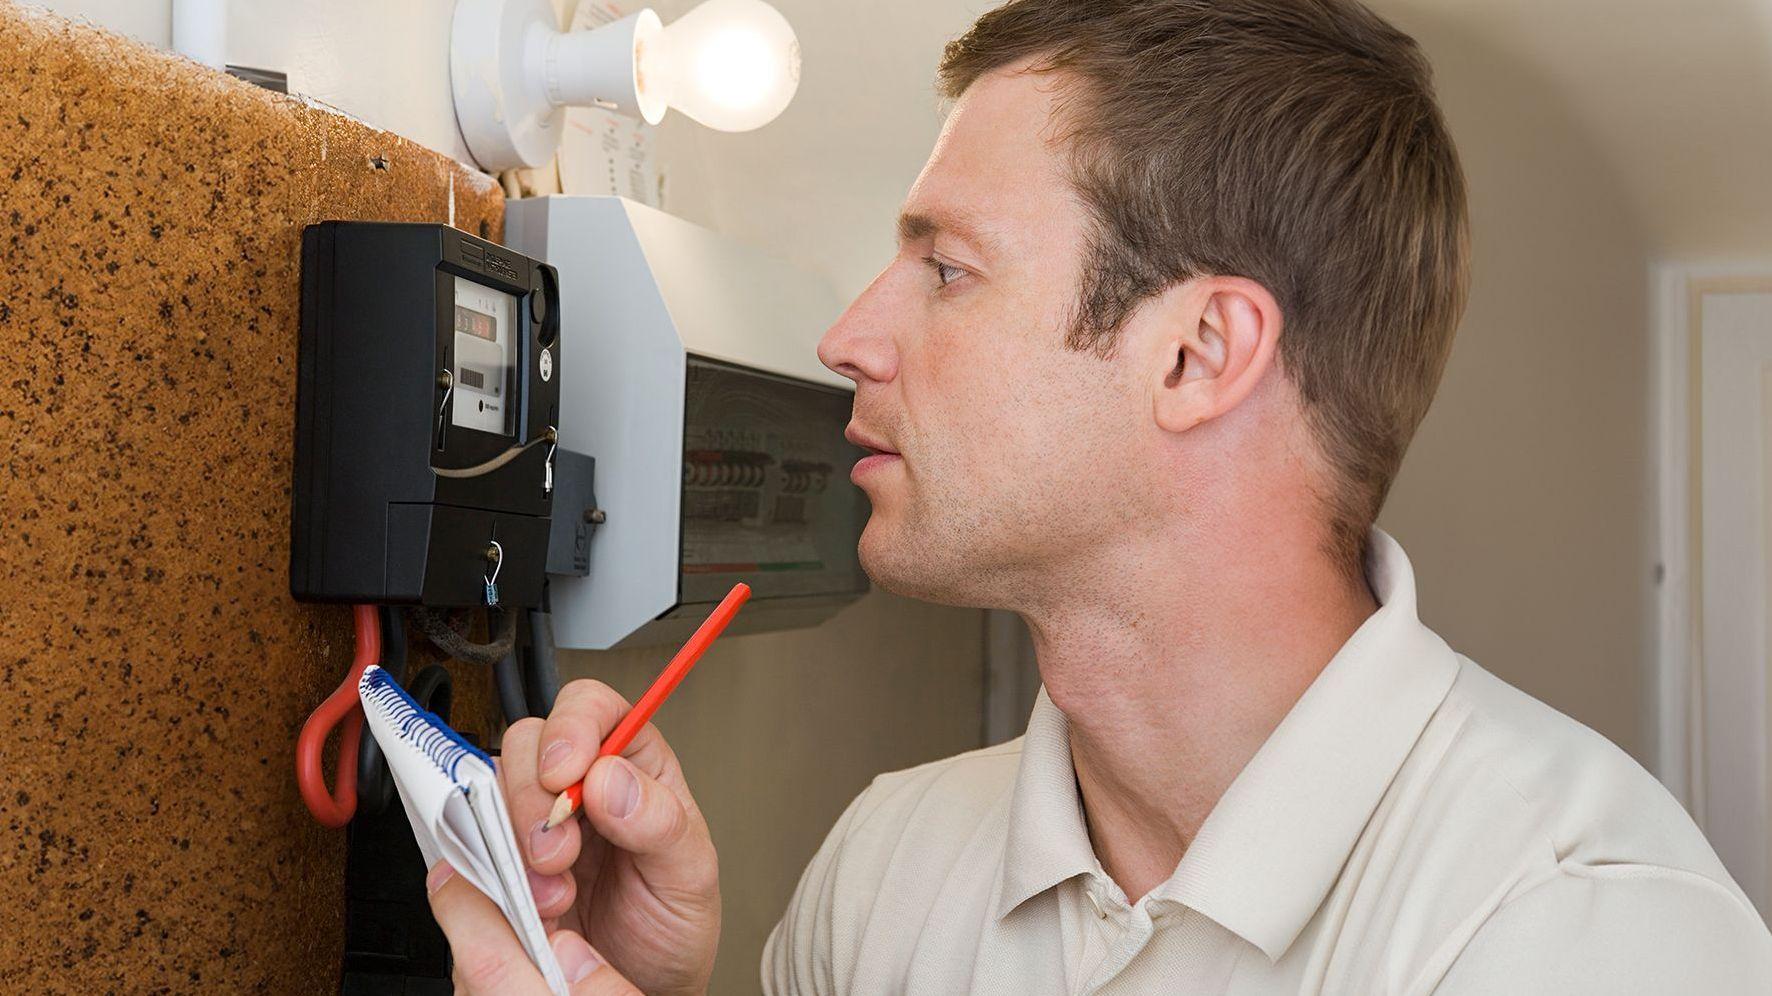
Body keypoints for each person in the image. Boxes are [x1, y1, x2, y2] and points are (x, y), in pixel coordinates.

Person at [424, 0, 1772, 992]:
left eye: (947, 268)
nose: (848, 337)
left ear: (1198, 355)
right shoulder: (884, 871)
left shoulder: (1589, 936)